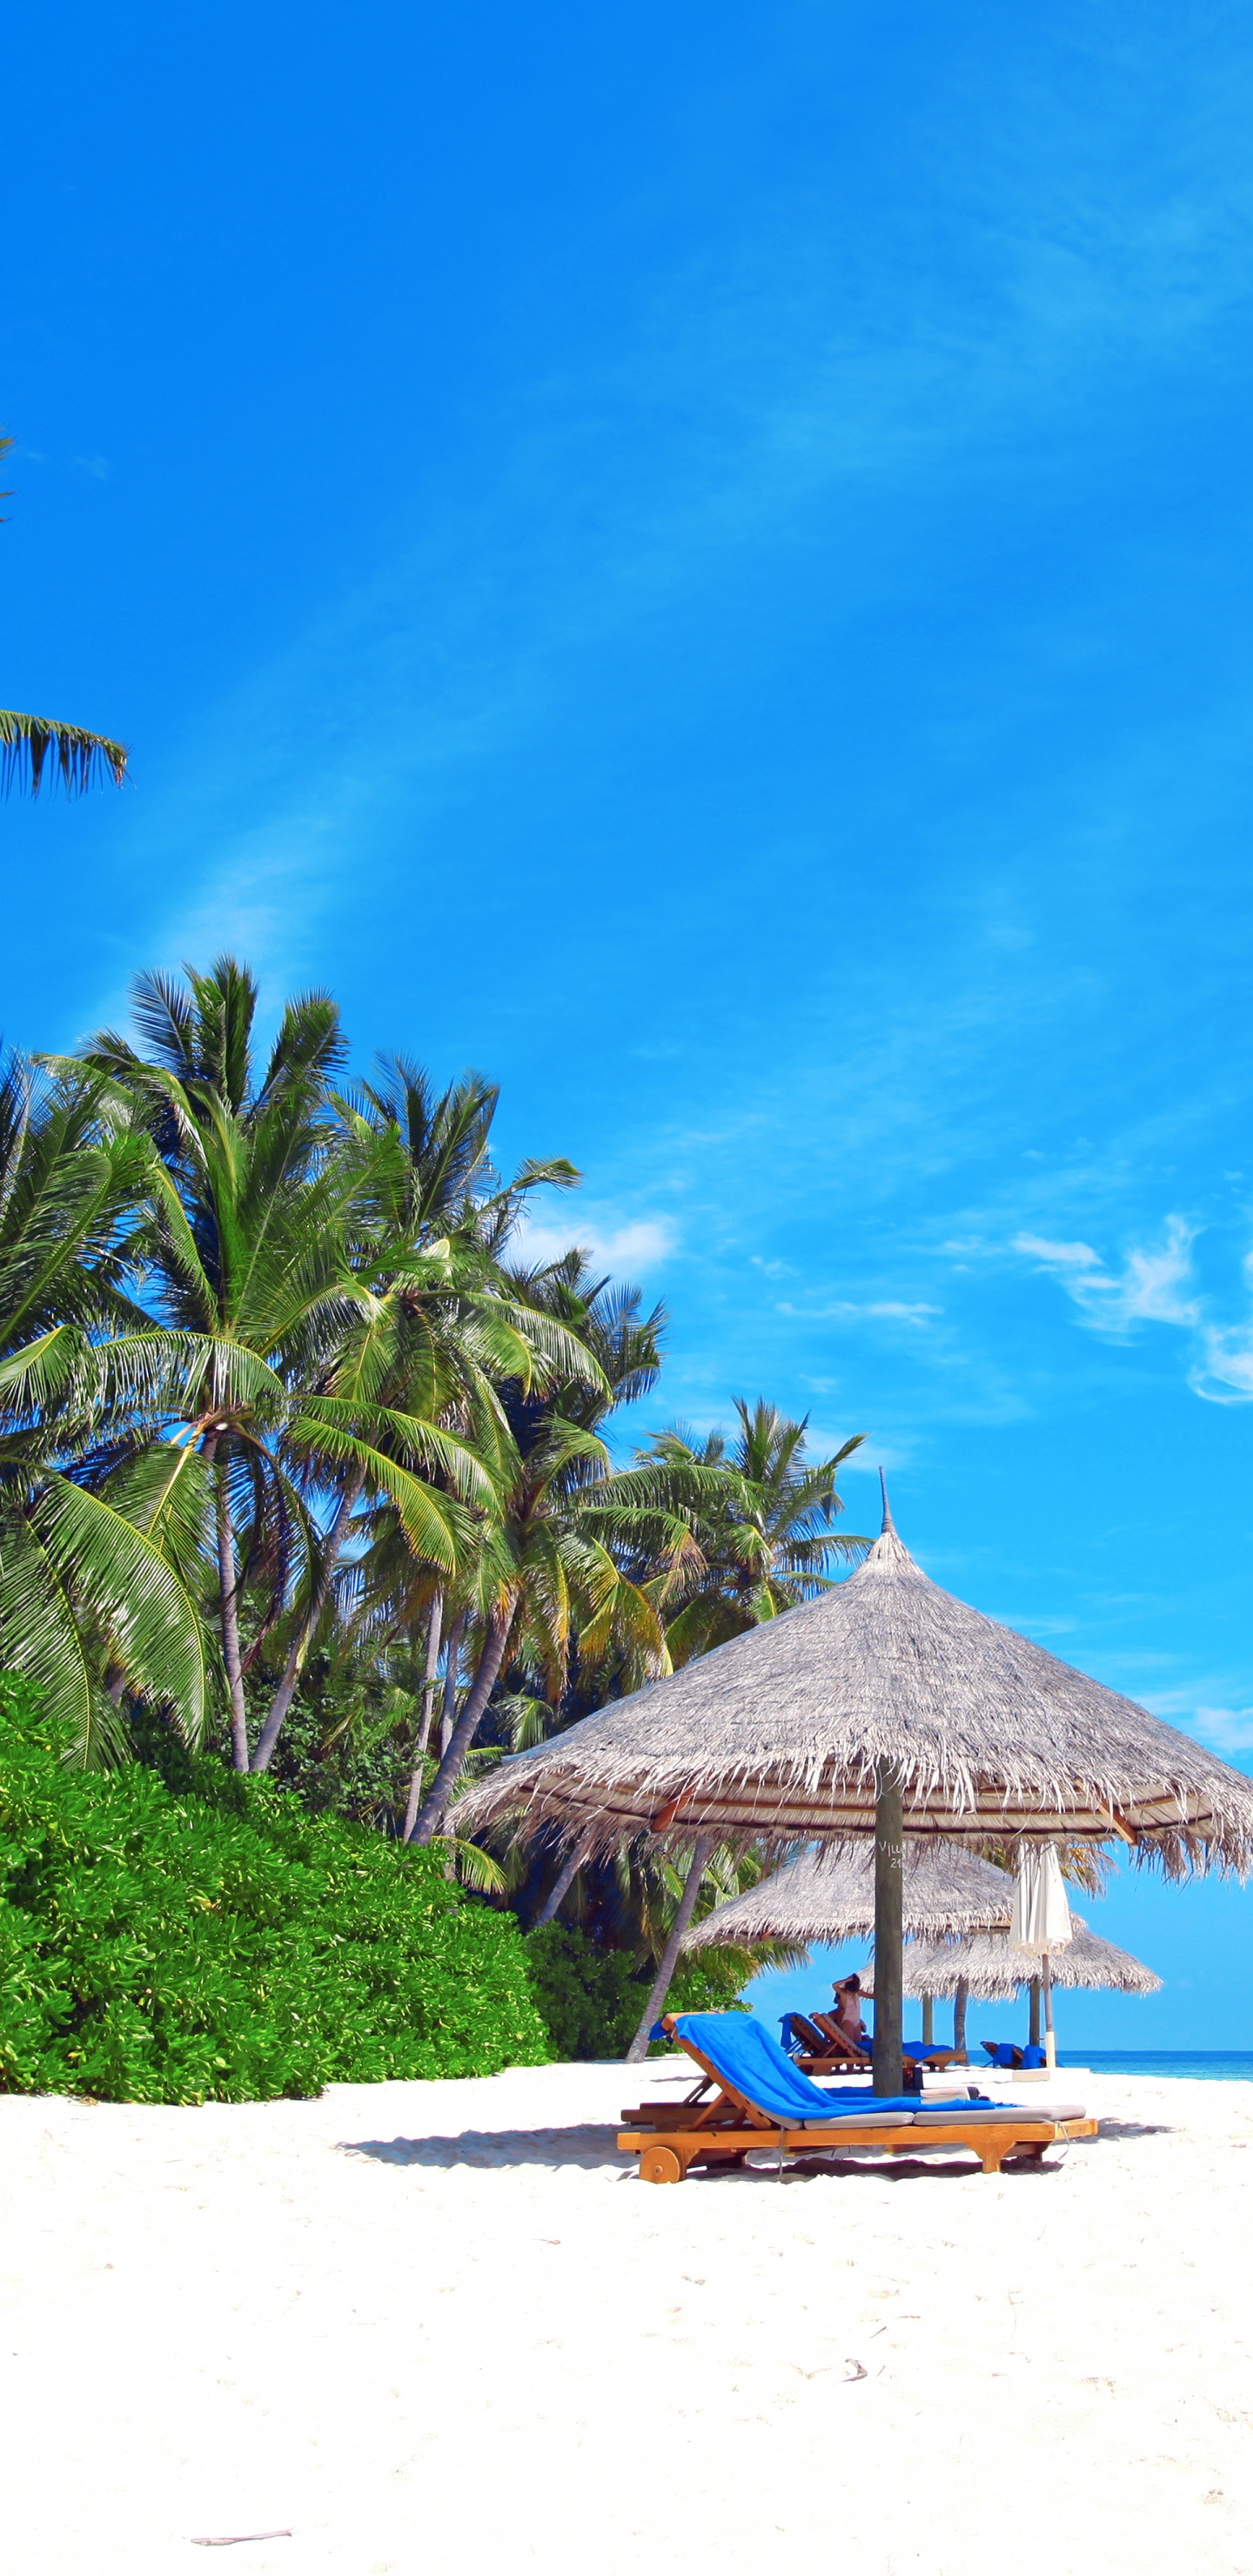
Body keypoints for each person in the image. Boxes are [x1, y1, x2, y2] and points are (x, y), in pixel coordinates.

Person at [831, 1975, 870, 2048]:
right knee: (851, 2044)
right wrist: (847, 1980)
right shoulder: (843, 1993)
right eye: (849, 1990)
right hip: (847, 2020)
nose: (850, 1993)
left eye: (852, 1991)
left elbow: (871, 1996)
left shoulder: (857, 1993)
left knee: (858, 2045)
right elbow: (834, 1985)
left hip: (856, 2021)